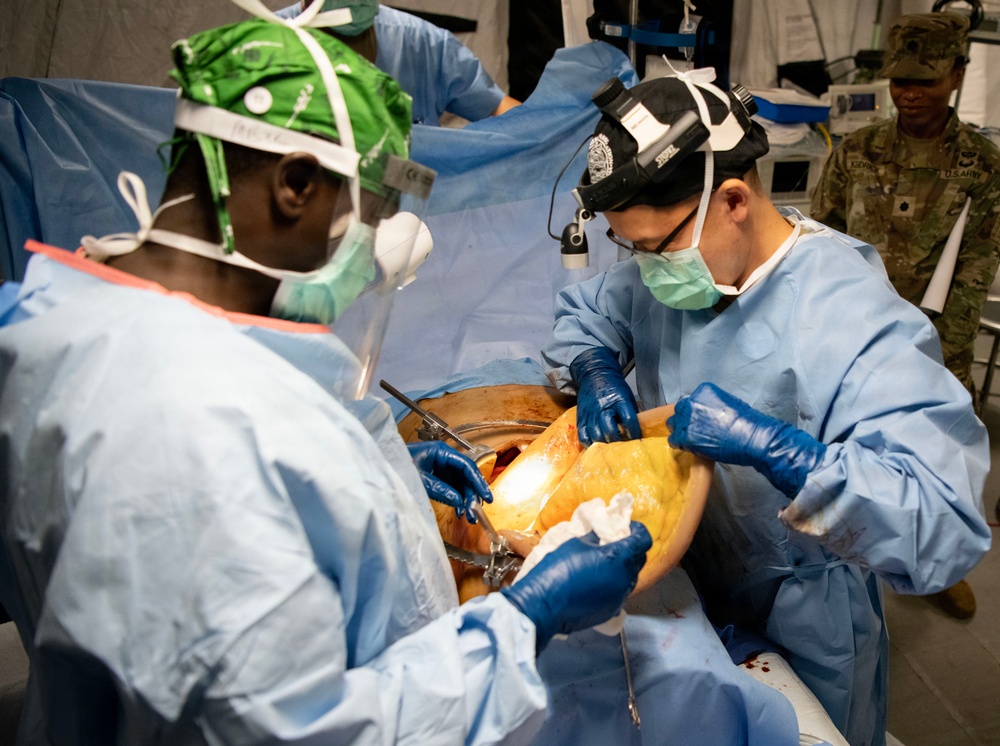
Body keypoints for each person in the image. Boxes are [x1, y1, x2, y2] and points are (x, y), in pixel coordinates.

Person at [0, 15, 652, 744]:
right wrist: (525, 620)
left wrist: (377, 471)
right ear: (296, 185)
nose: (376, 249)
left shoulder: (49, 316)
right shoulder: (201, 430)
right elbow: (305, 732)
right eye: (373, 212)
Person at [541, 70, 992, 746]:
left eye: (657, 249)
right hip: (695, 573)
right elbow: (593, 311)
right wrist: (596, 367)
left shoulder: (849, 314)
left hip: (804, 609)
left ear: (732, 200)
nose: (646, 270)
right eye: (628, 250)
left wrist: (782, 452)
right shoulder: (670, 268)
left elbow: (943, 521)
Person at [811, 11, 1000, 619]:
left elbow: (975, 267)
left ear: (958, 75)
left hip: (937, 337)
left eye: (926, 79)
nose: (910, 93)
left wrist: (938, 359)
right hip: (854, 332)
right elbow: (820, 243)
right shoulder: (857, 153)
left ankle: (939, 563)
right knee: (841, 443)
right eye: (900, 80)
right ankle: (845, 550)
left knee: (942, 453)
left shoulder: (983, 167)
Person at [276, 0, 521, 125]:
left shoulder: (422, 43)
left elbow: (498, 108)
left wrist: (547, 133)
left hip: (406, 216)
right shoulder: (263, 45)